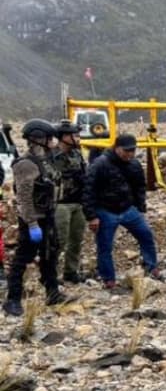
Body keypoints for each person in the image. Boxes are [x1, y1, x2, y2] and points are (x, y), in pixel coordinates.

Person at [3, 120, 69, 316]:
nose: (53, 141)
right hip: (33, 219)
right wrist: (31, 224)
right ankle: (13, 299)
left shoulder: (44, 160)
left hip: (47, 216)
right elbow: (23, 198)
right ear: (39, 139)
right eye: (49, 138)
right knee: (23, 258)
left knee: (50, 254)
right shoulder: (26, 165)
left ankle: (52, 293)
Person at [84, 134, 159, 290]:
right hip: (106, 211)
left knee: (146, 235)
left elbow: (140, 186)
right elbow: (88, 190)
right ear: (117, 148)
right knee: (105, 247)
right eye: (126, 151)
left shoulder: (134, 164)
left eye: (133, 151)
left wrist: (140, 207)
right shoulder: (100, 164)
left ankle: (151, 268)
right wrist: (92, 216)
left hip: (128, 209)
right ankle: (109, 280)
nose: (130, 154)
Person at [51, 119, 88, 284]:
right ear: (64, 137)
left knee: (76, 239)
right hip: (61, 203)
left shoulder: (77, 154)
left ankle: (71, 271)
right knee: (59, 240)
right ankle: (50, 273)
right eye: (74, 135)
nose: (77, 138)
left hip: (78, 202)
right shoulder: (51, 155)